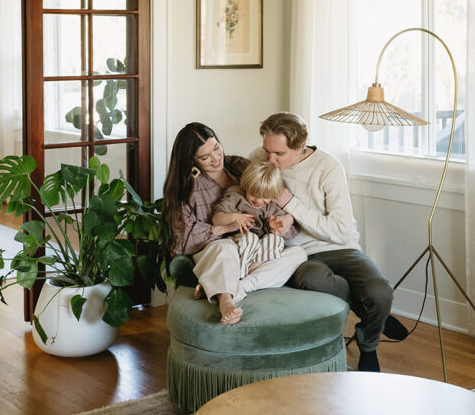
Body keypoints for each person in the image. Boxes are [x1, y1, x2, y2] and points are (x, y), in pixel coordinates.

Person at [256, 112, 407, 372]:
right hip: (298, 254)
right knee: (313, 279)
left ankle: (368, 342)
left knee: (381, 292)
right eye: (266, 150)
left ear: (299, 147)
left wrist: (290, 203)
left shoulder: (327, 167)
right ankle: (370, 312)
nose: (270, 159)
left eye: (278, 154)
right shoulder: (260, 159)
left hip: (340, 248)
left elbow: (339, 230)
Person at [161, 122, 306, 325]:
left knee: (298, 254)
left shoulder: (239, 165)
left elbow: (271, 195)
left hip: (253, 249)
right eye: (205, 157)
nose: (216, 158)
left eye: (216, 148)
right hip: (217, 249)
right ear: (191, 160)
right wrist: (226, 227)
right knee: (225, 247)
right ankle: (226, 301)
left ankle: (238, 286)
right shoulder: (187, 188)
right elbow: (182, 239)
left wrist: (284, 220)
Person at [213, 160, 300, 280]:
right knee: (251, 238)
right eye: (253, 194)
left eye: (265, 197)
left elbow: (290, 232)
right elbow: (216, 219)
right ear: (246, 186)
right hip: (238, 242)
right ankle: (237, 276)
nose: (258, 201)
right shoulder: (236, 196)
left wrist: (275, 226)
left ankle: (251, 270)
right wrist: (233, 217)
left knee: (276, 240)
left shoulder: (273, 206)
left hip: (258, 251)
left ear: (273, 195)